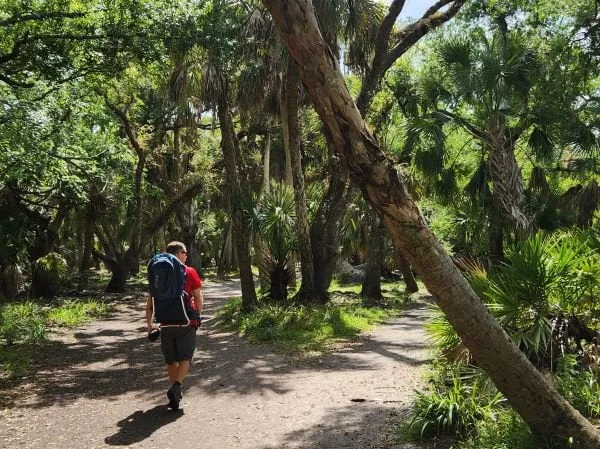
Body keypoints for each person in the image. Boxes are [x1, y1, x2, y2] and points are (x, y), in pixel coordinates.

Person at [146, 241, 203, 411]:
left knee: (171, 361)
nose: (186, 256)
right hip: (186, 321)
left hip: (165, 323)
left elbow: (150, 304)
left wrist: (150, 325)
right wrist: (198, 316)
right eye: (185, 253)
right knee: (185, 358)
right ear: (178, 254)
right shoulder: (189, 271)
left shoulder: (157, 273)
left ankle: (175, 396)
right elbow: (198, 298)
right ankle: (177, 386)